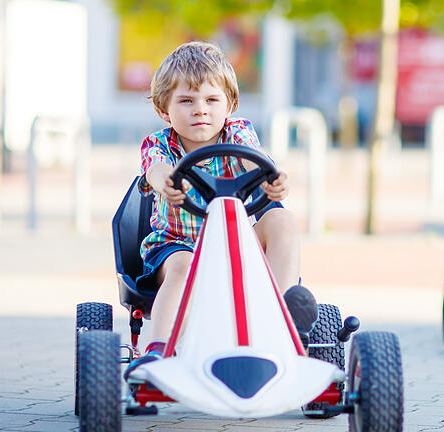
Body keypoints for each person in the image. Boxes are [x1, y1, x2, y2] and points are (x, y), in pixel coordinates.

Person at [125, 41, 318, 377]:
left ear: (229, 105)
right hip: (175, 247)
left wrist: (269, 181)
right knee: (185, 264)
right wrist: (167, 181)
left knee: (282, 219)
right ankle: (158, 351)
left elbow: (250, 160)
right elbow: (154, 169)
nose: (200, 110)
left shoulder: (238, 132)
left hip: (234, 247)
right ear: (164, 109)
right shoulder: (159, 144)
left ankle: (281, 318)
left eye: (211, 100)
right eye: (186, 101)